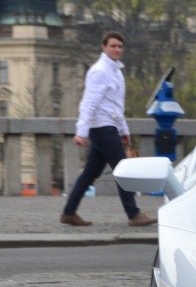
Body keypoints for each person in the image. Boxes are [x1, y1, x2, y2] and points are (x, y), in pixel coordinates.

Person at [60, 32, 157, 227]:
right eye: (113, 46)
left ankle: (69, 213)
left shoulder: (116, 71)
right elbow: (88, 103)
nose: (117, 49)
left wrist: (124, 130)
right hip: (102, 127)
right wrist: (81, 132)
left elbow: (115, 106)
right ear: (104, 47)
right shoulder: (100, 71)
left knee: (90, 172)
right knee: (123, 170)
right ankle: (133, 214)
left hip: (108, 125)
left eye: (120, 46)